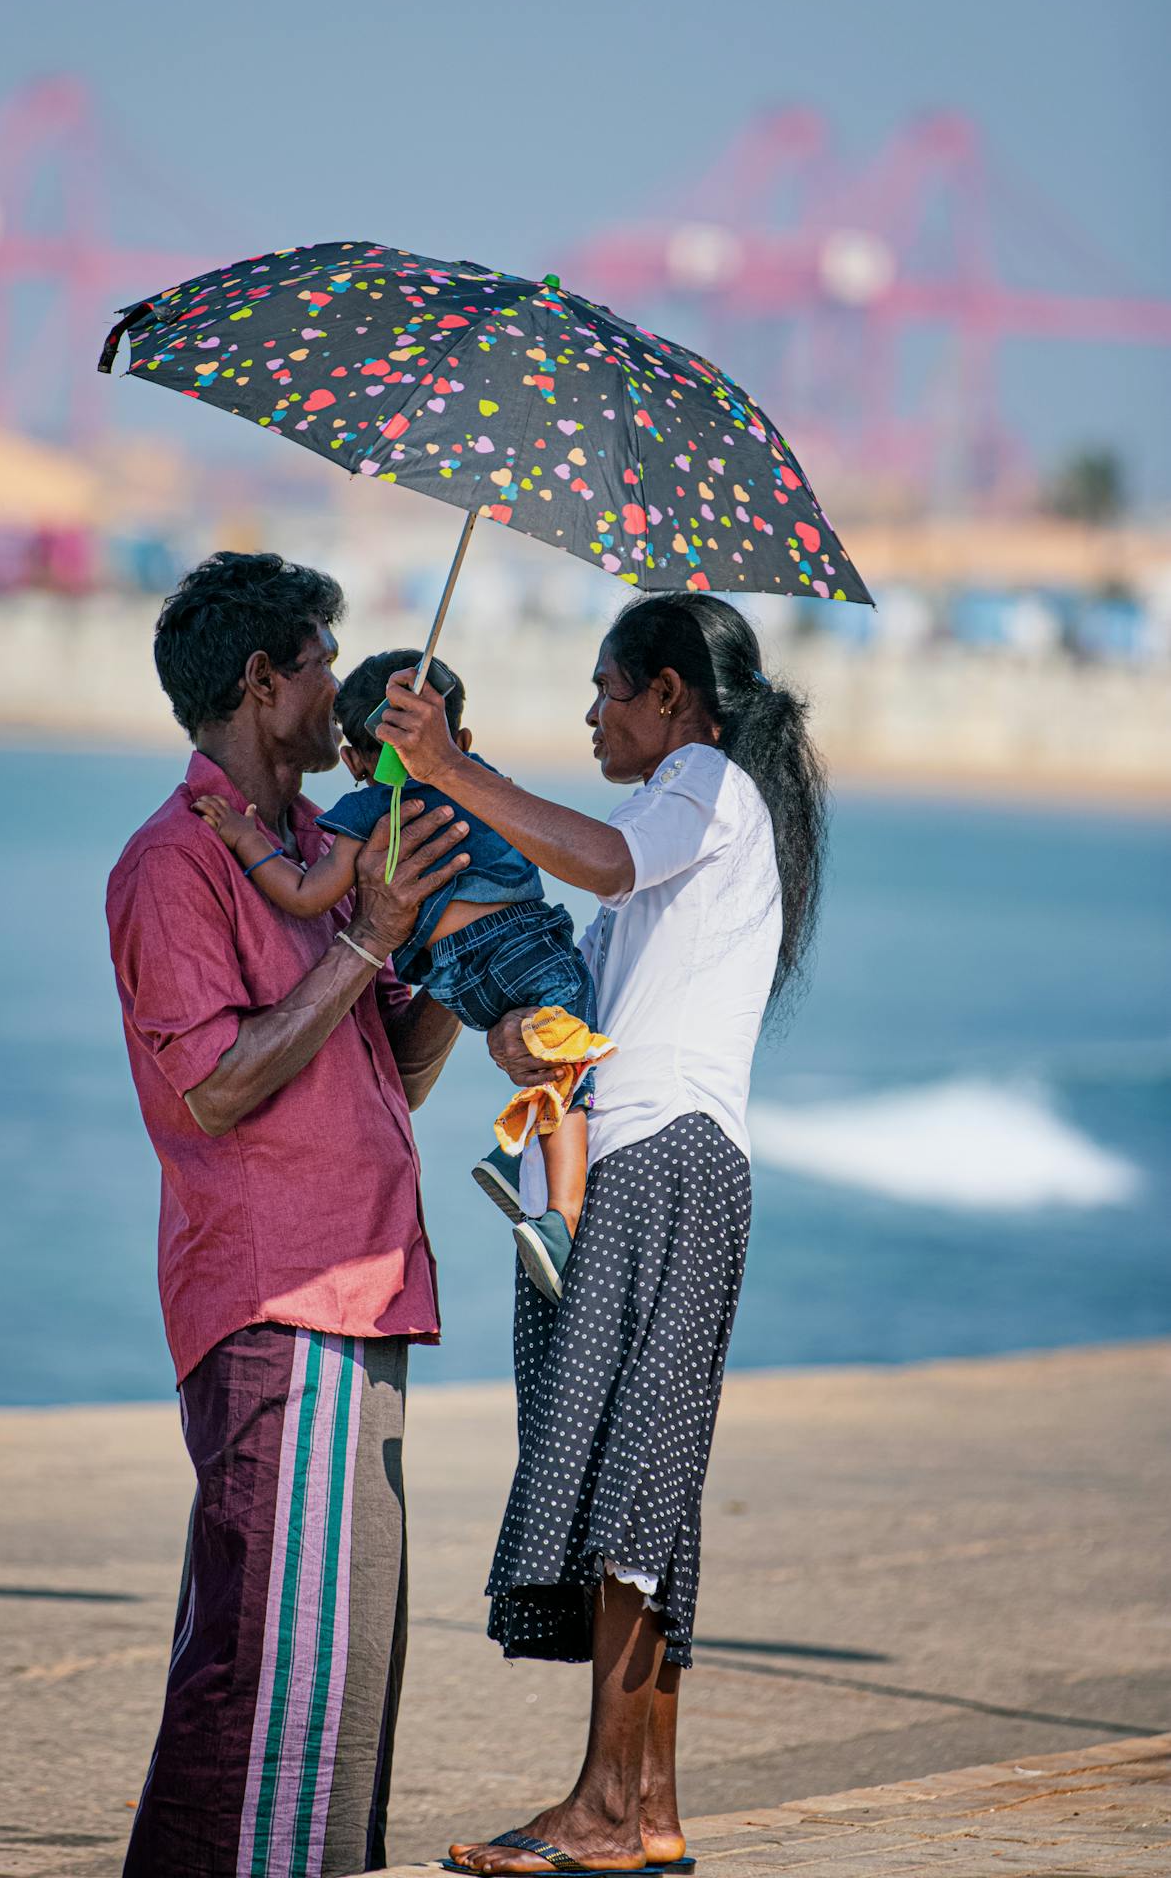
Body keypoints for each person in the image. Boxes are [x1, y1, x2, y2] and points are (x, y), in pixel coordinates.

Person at [373, 590, 827, 1877]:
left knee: (633, 1479)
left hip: (665, 1165)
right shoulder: (684, 813)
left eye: (606, 688)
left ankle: (600, 1810)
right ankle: (648, 1806)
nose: (592, 713)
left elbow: (604, 859)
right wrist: (518, 1031)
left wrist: (452, 763)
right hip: (643, 1164)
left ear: (670, 696)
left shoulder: (704, 785)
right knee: (648, 1483)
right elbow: (591, 963)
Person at [105, 553, 468, 1878]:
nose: (338, 690)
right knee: (266, 1671)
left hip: (357, 1286)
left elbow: (393, 1076)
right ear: (263, 686)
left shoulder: (324, 851)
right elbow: (213, 1090)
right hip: (278, 1303)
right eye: (320, 662)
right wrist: (365, 943)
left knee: (340, 1674)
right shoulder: (172, 866)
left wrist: (430, 949)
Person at [191, 648, 613, 1302]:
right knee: (570, 1053)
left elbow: (305, 895)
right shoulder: (476, 778)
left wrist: (245, 841)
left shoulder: (366, 815)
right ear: (460, 740)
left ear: (356, 760)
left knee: (539, 1051)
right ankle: (561, 1215)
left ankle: (524, 1156)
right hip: (522, 946)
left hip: (450, 981)